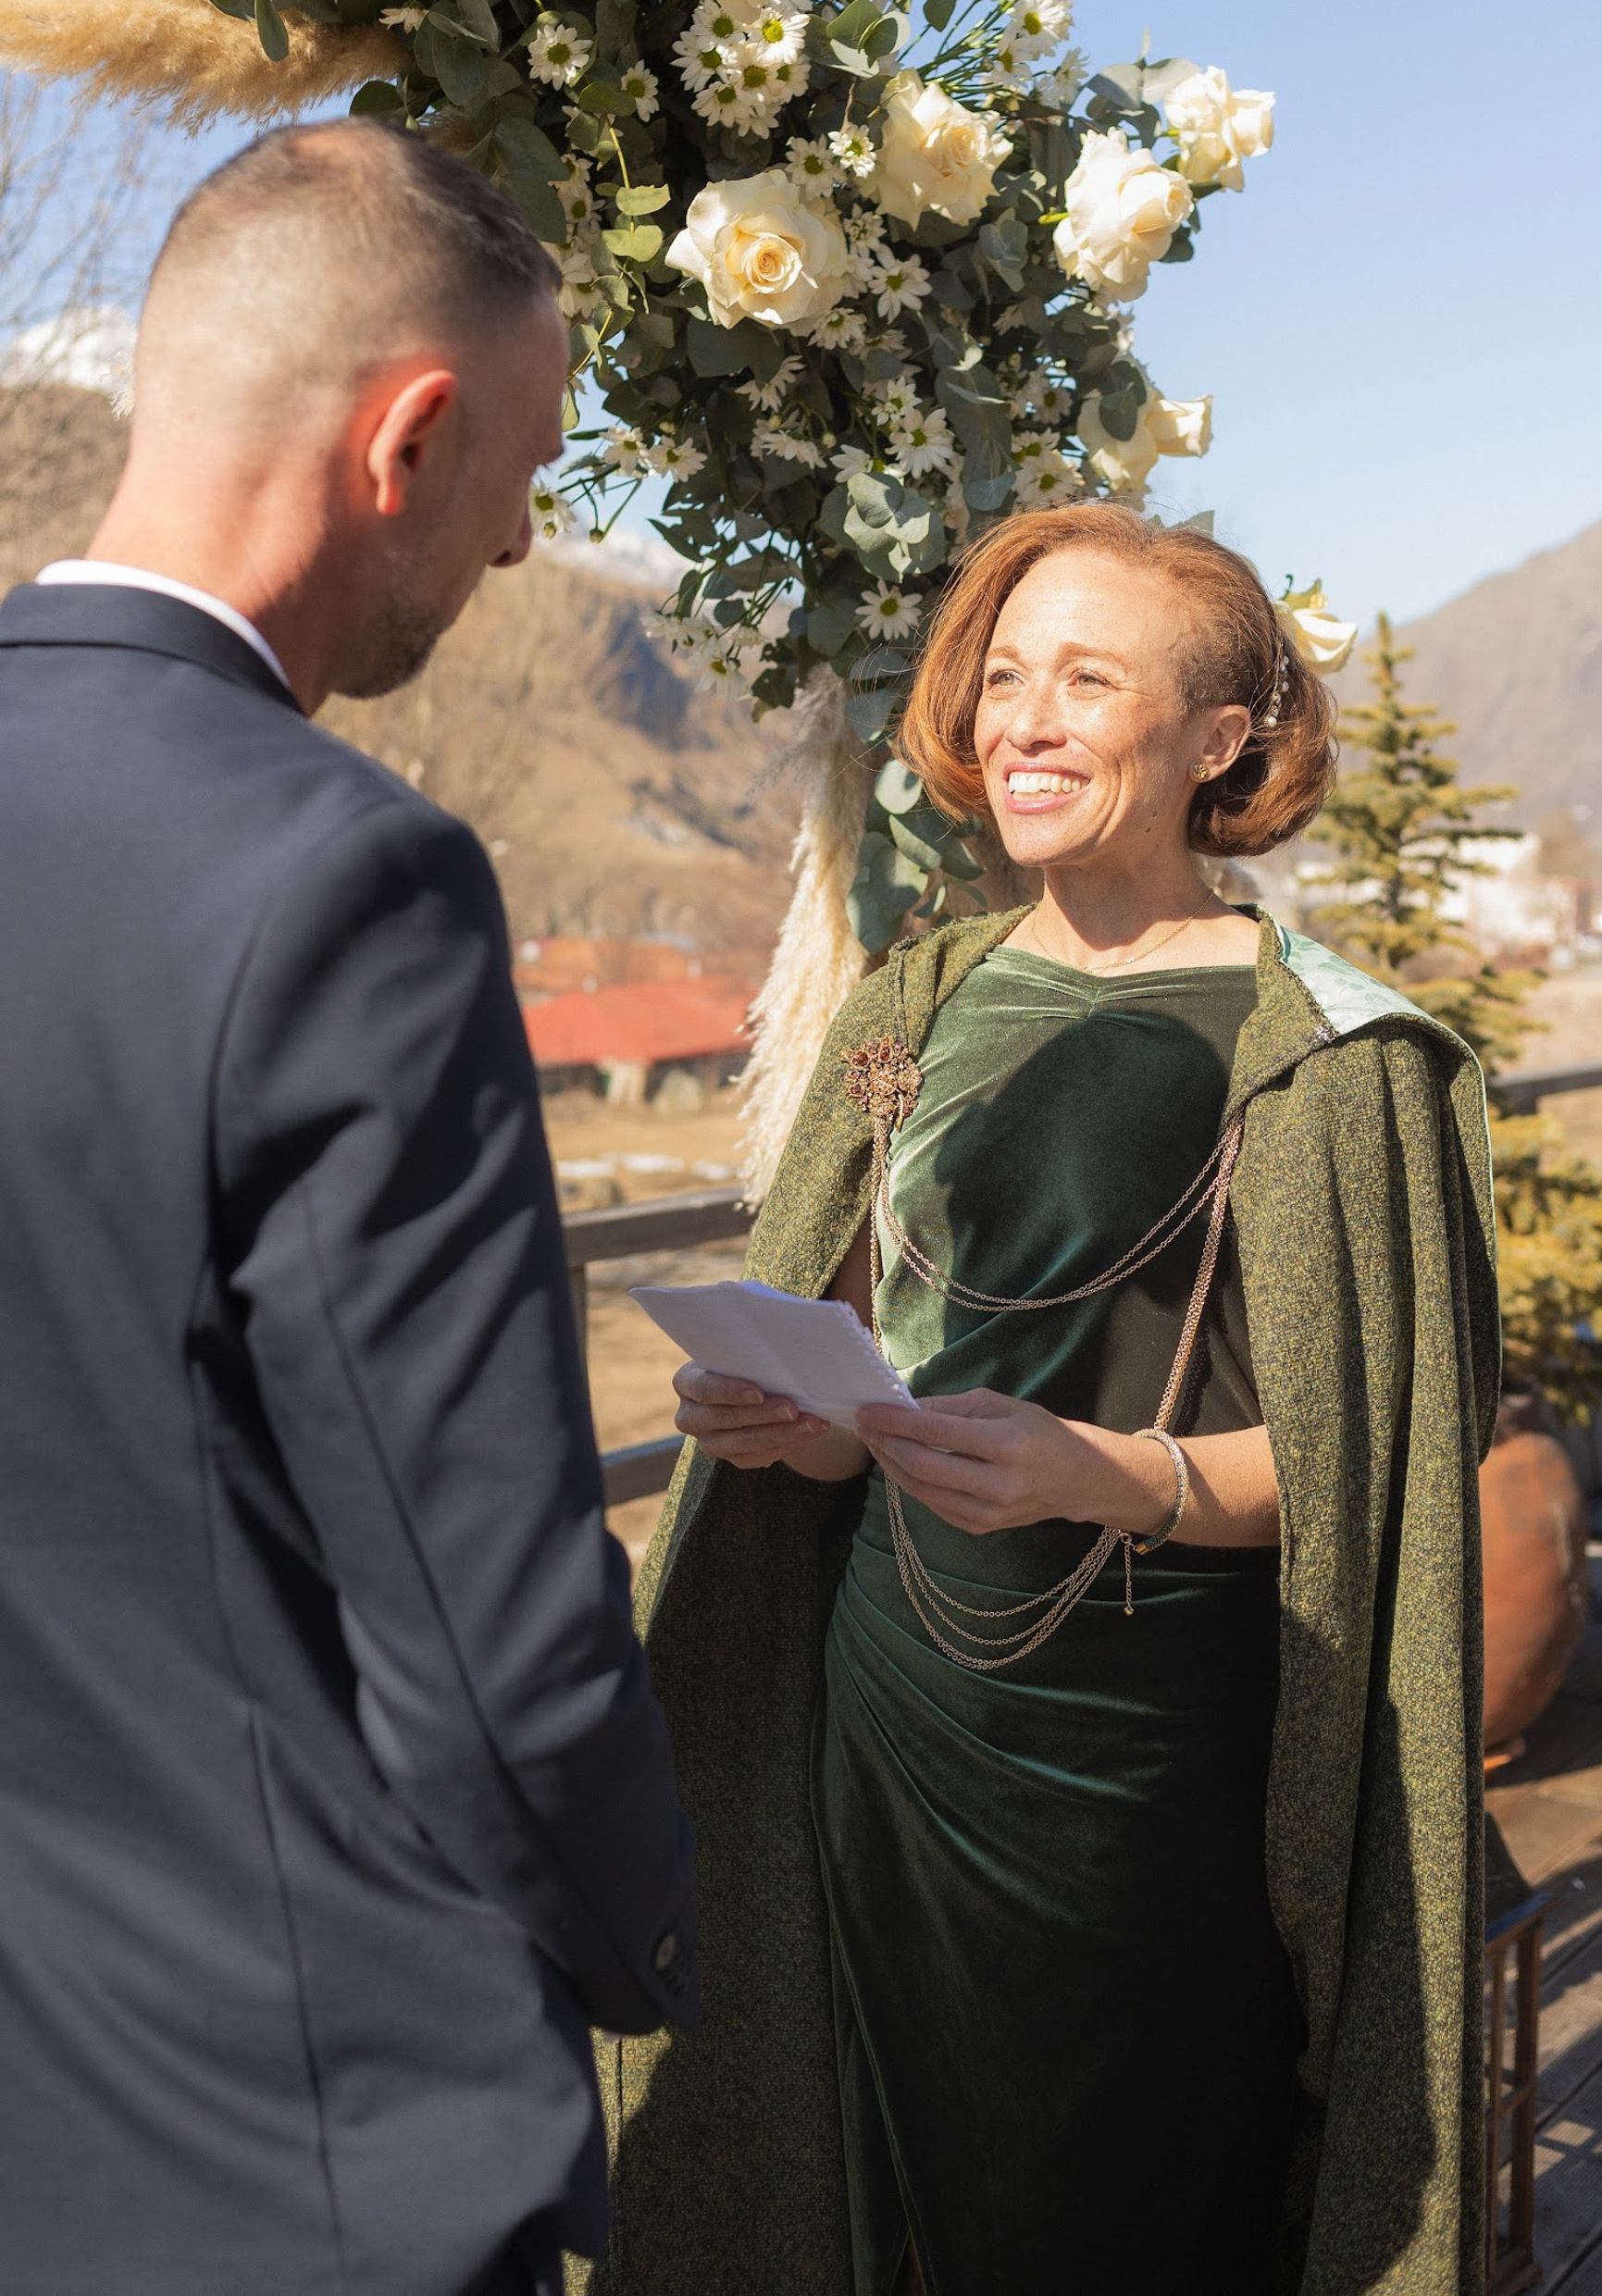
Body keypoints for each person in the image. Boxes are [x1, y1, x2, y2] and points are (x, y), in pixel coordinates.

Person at [597, 506, 1499, 2296]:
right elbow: (882, 1342)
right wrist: (813, 1422)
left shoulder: (1329, 1053)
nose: (1024, 721)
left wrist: (1111, 1473)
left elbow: (1380, 1474)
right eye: (1004, 677)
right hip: (888, 1693)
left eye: (1089, 679)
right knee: (888, 2176)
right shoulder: (918, 998)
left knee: (1137, 2195)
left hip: (1155, 1746)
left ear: (1221, 738)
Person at [0, 122, 696, 2296]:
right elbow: (483, 1637)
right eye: (527, 469)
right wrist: (665, 1937)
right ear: (409, 433)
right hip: (280, 2141)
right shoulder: (340, 884)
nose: (514, 552)